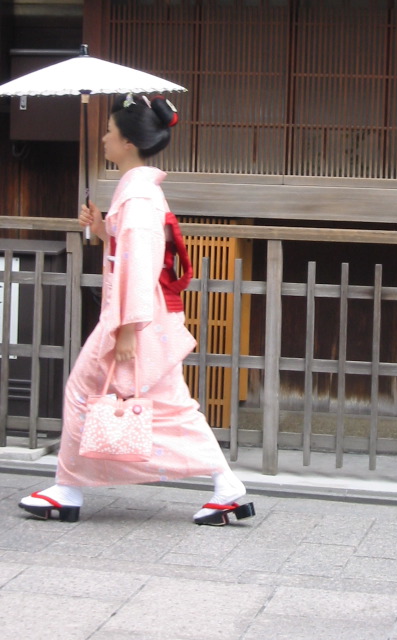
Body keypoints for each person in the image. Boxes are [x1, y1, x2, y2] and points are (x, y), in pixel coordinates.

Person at [19, 93, 253, 527]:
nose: (105, 139)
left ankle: (67, 489)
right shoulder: (139, 196)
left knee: (81, 392)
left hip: (136, 322)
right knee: (170, 406)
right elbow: (127, 253)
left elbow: (140, 267)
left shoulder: (139, 201)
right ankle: (228, 488)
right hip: (149, 320)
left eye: (109, 132)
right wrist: (99, 228)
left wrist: (127, 329)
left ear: (128, 143)